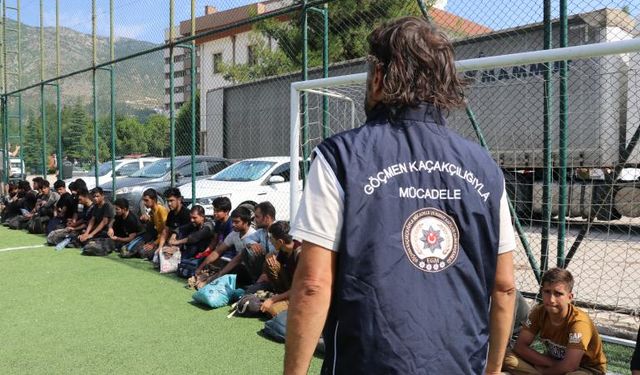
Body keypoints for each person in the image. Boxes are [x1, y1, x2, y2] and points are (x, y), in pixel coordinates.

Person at [284, 16, 516, 374]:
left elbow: (313, 284)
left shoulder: (339, 157)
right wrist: (494, 369)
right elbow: (503, 288)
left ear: (378, 76)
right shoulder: (485, 167)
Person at [503, 268, 607, 374]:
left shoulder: (579, 323)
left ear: (569, 297)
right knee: (507, 356)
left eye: (558, 294)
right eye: (547, 292)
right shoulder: (539, 311)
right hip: (552, 362)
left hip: (584, 369)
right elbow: (520, 346)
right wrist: (550, 364)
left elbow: (570, 366)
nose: (551, 299)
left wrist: (544, 372)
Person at [194, 206, 256, 281]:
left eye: (236, 222)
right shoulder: (234, 233)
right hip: (237, 264)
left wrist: (219, 274)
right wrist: (200, 268)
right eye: (233, 221)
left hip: (250, 270)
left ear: (246, 222)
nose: (233, 224)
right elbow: (217, 251)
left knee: (233, 269)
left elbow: (238, 259)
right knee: (205, 261)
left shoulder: (253, 236)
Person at [259, 221, 301, 317]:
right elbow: (274, 269)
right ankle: (281, 296)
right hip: (290, 288)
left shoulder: (299, 254)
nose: (270, 240)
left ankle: (285, 303)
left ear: (280, 242)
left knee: (270, 309)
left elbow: (299, 288)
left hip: (299, 293)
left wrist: (272, 299)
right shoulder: (283, 250)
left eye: (271, 238)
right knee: (270, 262)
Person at [154, 187, 190, 257]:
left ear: (179, 200)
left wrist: (172, 248)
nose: (169, 204)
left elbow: (185, 235)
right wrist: (160, 248)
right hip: (170, 243)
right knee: (151, 253)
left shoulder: (186, 214)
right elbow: (165, 231)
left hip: (182, 246)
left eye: (171, 201)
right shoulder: (171, 214)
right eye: (168, 201)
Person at [137, 188, 168, 259]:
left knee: (143, 253)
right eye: (144, 200)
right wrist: (146, 219)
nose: (144, 203)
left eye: (146, 200)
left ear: (153, 200)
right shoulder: (152, 211)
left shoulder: (161, 210)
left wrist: (154, 243)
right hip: (157, 238)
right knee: (139, 250)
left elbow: (166, 232)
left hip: (164, 240)